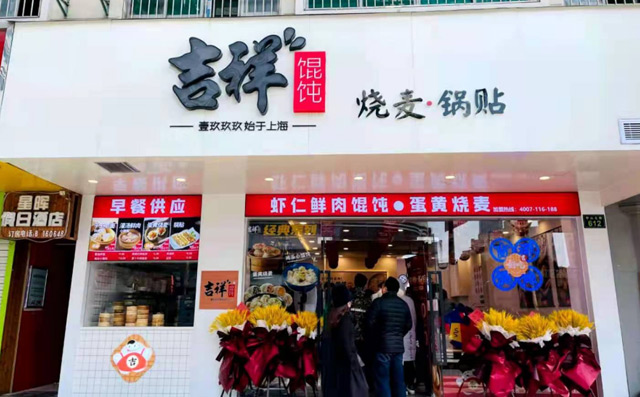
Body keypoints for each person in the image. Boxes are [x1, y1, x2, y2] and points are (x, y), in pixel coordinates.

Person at [366, 277, 412, 397]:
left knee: (383, 380)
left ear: (385, 288)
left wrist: (377, 337)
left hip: (382, 347)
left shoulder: (378, 303)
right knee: (398, 380)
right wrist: (398, 335)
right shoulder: (403, 304)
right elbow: (408, 324)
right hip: (398, 348)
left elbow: (369, 323)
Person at [327, 284, 368, 397]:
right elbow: (347, 345)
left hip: (337, 367)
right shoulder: (345, 319)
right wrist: (355, 363)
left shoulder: (332, 317)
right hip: (348, 367)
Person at [399, 284, 417, 395]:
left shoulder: (399, 301)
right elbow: (414, 318)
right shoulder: (410, 300)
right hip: (410, 334)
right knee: (409, 361)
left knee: (402, 363)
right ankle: (410, 384)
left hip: (402, 335)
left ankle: (404, 385)